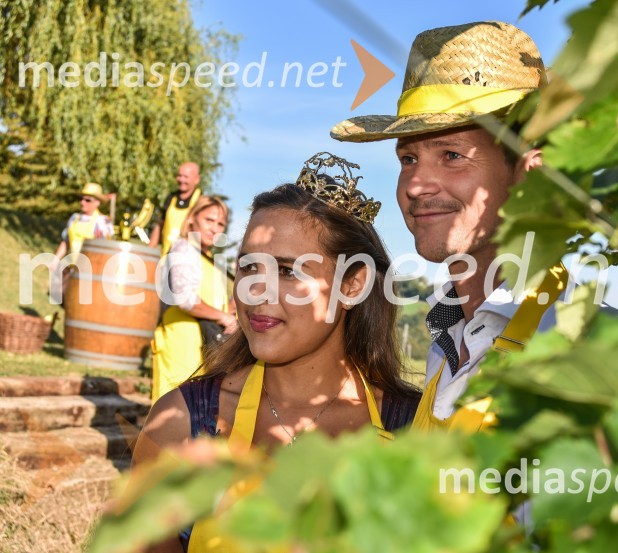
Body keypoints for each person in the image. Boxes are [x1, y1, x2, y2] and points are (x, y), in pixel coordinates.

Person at [134, 153, 421, 552]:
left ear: (352, 286)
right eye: (249, 268)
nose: (256, 291)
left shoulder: (417, 429)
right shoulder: (180, 422)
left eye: (287, 270)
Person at [331, 21, 567, 431]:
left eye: (452, 155)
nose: (417, 185)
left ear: (530, 174)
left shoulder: (575, 342)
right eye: (408, 159)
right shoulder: (447, 339)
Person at [151, 195, 235, 401]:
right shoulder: (184, 249)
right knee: (173, 413)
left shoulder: (205, 258)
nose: (214, 228)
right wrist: (224, 318)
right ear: (192, 219)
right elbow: (185, 298)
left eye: (220, 224)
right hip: (181, 342)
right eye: (209, 220)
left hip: (202, 346)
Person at [49, 182, 114, 301]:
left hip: (90, 271)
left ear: (97, 203)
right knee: (61, 297)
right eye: (82, 199)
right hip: (71, 267)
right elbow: (65, 241)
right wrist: (55, 260)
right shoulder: (74, 218)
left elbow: (106, 248)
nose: (82, 202)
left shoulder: (103, 222)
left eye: (88, 200)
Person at [148, 162, 203, 255]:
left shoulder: (201, 201)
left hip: (187, 259)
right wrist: (149, 250)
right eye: (179, 176)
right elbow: (160, 225)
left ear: (196, 179)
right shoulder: (171, 198)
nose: (181, 180)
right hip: (166, 256)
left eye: (186, 177)